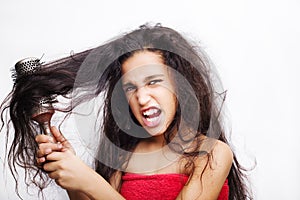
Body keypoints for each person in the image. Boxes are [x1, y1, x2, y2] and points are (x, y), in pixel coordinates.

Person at [0, 23, 252, 199]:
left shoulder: (212, 154)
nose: (141, 97)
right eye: (131, 87)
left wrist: (89, 180)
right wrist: (72, 179)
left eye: (153, 81)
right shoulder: (123, 155)